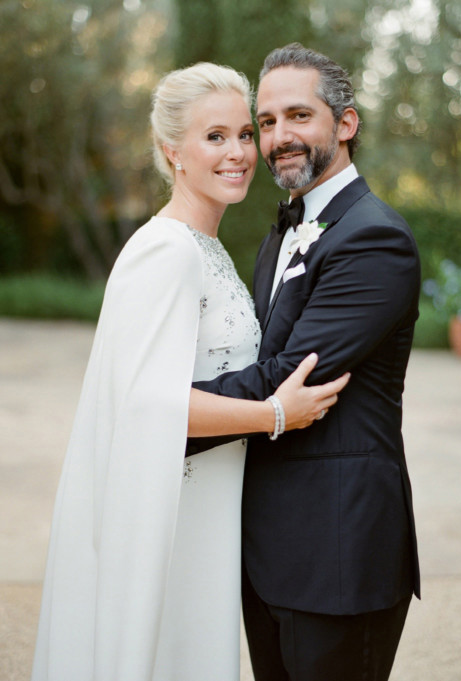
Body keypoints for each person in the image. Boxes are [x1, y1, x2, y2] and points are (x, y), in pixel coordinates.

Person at [31, 64, 348, 681]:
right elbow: (147, 404)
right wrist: (275, 414)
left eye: (243, 134)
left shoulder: (207, 249)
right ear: (172, 151)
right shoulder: (167, 251)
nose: (238, 153)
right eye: (215, 137)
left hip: (208, 506)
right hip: (171, 509)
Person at [188, 43, 421, 681]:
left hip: (337, 553)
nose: (278, 137)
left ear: (345, 124)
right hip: (268, 550)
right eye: (266, 123)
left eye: (298, 116)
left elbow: (294, 374)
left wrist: (170, 410)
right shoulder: (281, 230)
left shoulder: (375, 239)